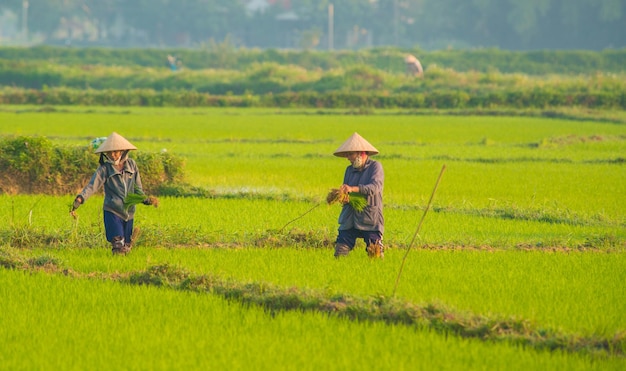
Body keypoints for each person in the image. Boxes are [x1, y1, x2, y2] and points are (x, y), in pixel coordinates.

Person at [70, 132, 154, 255]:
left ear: (122, 151)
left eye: (116, 152)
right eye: (110, 152)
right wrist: (80, 198)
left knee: (126, 245)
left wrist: (144, 199)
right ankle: (115, 265)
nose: (113, 155)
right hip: (113, 210)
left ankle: (123, 270)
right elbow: (92, 186)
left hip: (129, 212)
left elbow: (138, 187)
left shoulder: (132, 165)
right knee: (118, 243)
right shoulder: (104, 169)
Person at [332, 132, 385, 258]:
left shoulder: (375, 167)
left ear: (361, 153)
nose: (348, 157)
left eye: (350, 154)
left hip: (369, 217)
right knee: (340, 250)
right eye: (347, 154)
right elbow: (347, 191)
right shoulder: (349, 170)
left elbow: (375, 188)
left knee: (375, 252)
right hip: (350, 217)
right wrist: (344, 197)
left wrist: (353, 188)